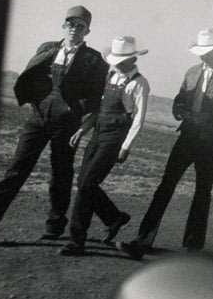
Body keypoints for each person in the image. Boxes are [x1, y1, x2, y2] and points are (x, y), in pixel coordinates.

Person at [0, 5, 109, 243]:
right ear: (64, 25)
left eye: (80, 26)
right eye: (70, 23)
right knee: (16, 170)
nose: (74, 29)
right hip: (37, 120)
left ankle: (55, 225)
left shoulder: (95, 61)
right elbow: (31, 75)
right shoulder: (47, 49)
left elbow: (95, 99)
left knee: (61, 174)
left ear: (87, 31)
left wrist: (77, 115)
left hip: (66, 126)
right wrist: (34, 100)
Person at [118, 28, 213, 259]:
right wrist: (178, 109)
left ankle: (193, 249)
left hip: (211, 142)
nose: (203, 56)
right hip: (186, 137)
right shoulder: (192, 72)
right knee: (165, 186)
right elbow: (180, 98)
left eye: (207, 52)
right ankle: (142, 241)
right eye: (201, 52)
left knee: (202, 192)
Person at [60, 36, 150, 256]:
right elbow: (100, 109)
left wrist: (125, 147)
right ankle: (114, 217)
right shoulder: (110, 76)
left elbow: (138, 119)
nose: (117, 63)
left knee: (88, 184)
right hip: (98, 133)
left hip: (115, 138)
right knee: (83, 182)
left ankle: (76, 240)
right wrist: (83, 129)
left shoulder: (139, 83)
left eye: (122, 59)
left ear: (132, 59)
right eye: (115, 59)